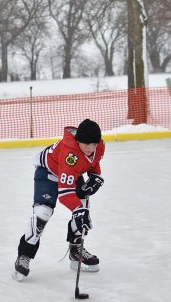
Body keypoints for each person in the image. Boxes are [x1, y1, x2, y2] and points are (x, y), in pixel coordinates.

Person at [13, 118, 106, 281]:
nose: (91, 148)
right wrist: (78, 211)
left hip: (70, 174)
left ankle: (76, 250)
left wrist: (94, 176)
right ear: (78, 141)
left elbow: (93, 162)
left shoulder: (98, 147)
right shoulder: (69, 155)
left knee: (83, 207)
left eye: (94, 144)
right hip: (48, 174)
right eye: (87, 144)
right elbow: (65, 194)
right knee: (43, 213)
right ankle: (24, 255)